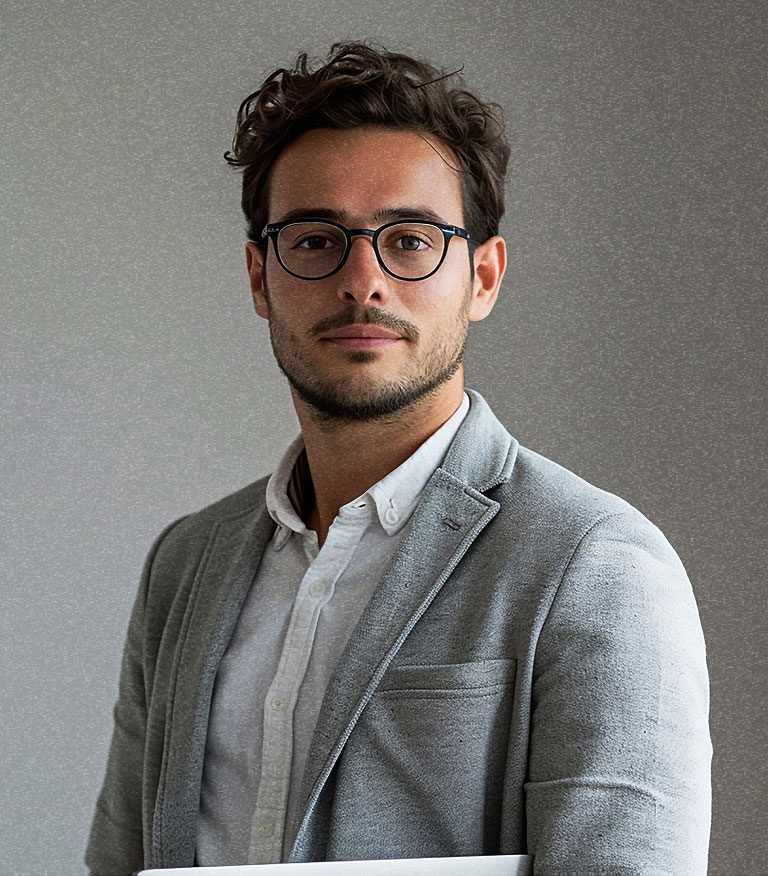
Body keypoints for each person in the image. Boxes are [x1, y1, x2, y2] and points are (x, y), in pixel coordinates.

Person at [85, 41, 712, 875]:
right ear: (260, 277)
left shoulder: (597, 562)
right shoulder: (185, 563)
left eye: (410, 239)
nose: (363, 281)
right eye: (315, 240)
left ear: (483, 278)